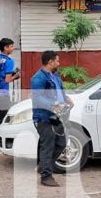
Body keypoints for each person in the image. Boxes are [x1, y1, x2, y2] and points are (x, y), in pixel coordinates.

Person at [31, 50, 72, 187]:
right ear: (50, 62)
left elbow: (60, 92)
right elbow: (37, 98)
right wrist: (53, 106)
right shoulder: (38, 78)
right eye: (57, 61)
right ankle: (46, 176)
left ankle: (44, 166)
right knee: (47, 146)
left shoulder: (55, 77)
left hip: (56, 117)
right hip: (44, 118)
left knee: (61, 143)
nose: (59, 63)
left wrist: (66, 99)